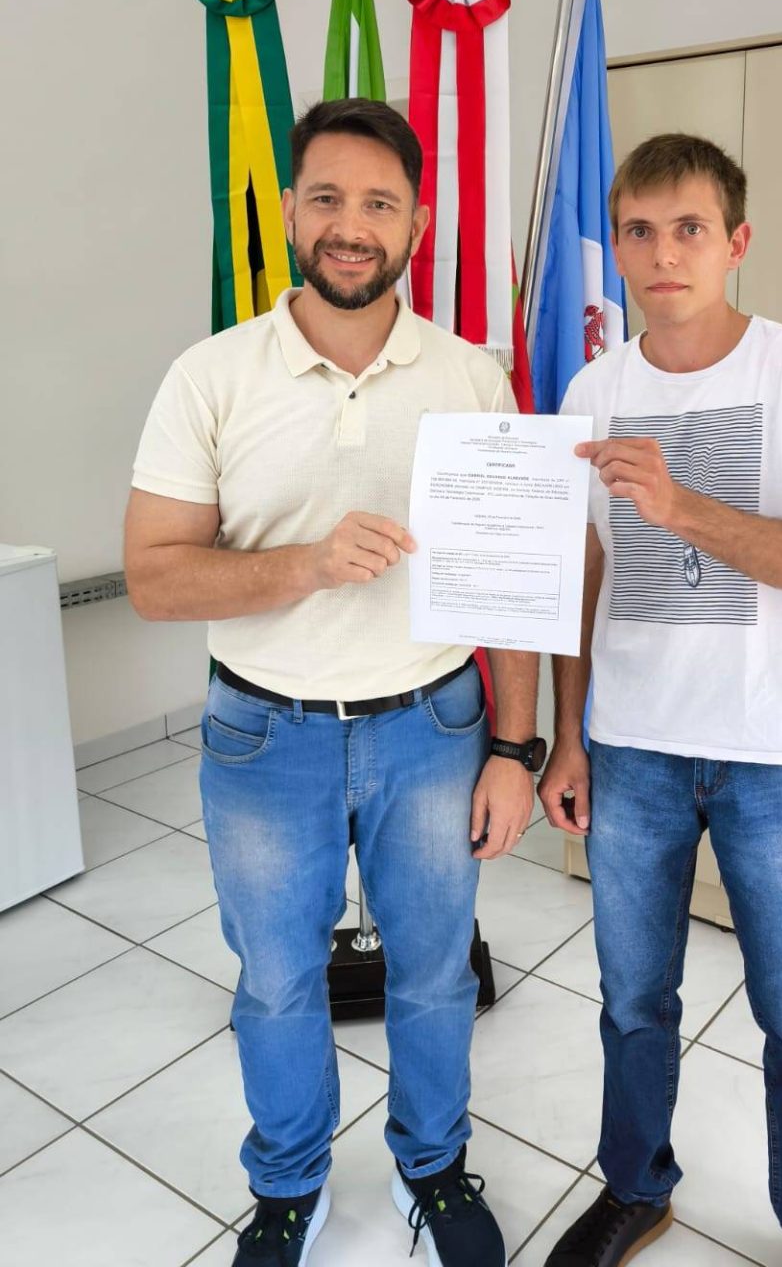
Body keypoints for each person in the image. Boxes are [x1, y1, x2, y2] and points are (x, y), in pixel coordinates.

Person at [124, 98, 545, 1267]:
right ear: (290, 211)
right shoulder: (211, 375)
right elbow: (154, 578)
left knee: (435, 976)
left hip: (434, 730)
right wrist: (306, 564)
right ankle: (288, 1185)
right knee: (274, 985)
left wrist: (515, 750)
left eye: (378, 203)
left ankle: (433, 1168)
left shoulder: (471, 378)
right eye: (326, 198)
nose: (350, 226)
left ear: (417, 222)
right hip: (266, 738)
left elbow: (509, 587)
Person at [538, 133, 782, 1267]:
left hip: (773, 756)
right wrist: (568, 735)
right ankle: (637, 1190)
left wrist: (683, 507)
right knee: (633, 1003)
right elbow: (584, 570)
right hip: (632, 750)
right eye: (638, 230)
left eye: (689, 228)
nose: (662, 253)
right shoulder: (595, 389)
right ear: (617, 247)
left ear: (736, 243)